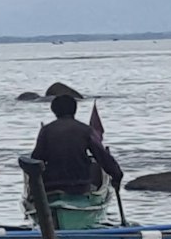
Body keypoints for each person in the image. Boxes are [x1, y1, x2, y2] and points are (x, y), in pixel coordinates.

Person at [22, 82, 122, 229]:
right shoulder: (85, 130)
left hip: (50, 186)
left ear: (54, 111)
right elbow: (102, 157)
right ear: (74, 110)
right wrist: (117, 175)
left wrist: (32, 191)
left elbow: (36, 159)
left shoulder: (46, 131)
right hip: (79, 186)